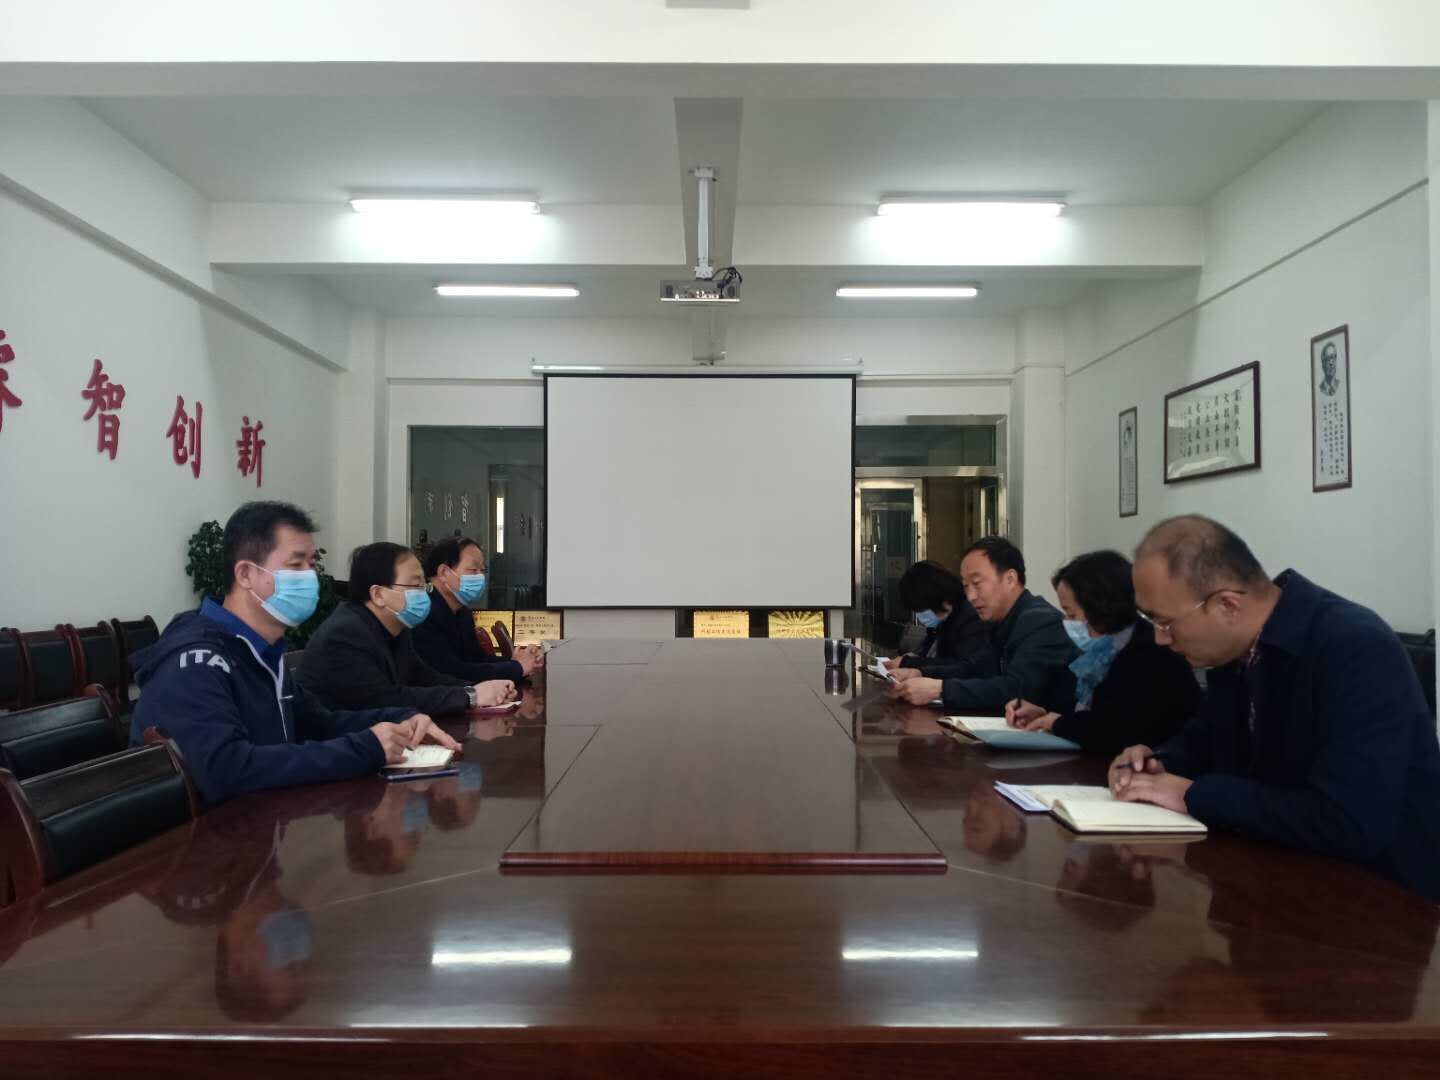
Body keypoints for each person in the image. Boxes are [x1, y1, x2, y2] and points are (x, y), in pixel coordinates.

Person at [1109, 515, 1440, 900]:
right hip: (1272, 882)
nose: (1160, 639)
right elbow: (1203, 741)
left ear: (1228, 605)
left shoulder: (1355, 648)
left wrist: (1193, 795)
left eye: (1166, 622)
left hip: (1380, 902)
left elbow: (1348, 822)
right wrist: (1154, 764)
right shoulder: (1234, 650)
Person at [129, 502, 459, 806]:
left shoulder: (263, 651)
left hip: (265, 823)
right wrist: (366, 748)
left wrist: (398, 719)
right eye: (295, 565)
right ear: (246, 574)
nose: (309, 578)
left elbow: (318, 722)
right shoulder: (196, 660)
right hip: (201, 842)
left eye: (311, 565)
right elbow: (225, 768)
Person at [1004, 550, 1201, 754]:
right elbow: (1082, 710)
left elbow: (1116, 728)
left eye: (1071, 613)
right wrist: (1043, 714)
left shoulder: (1151, 653)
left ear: (1099, 607)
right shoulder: (1099, 650)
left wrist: (1058, 723)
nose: (1067, 622)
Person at [297, 542, 516, 716]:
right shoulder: (345, 634)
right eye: (415, 585)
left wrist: (483, 690)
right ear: (378, 594)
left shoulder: (397, 627)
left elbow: (424, 677)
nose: (424, 593)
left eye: (423, 585)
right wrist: (471, 696)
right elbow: (387, 699)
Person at [889, 537, 1077, 713]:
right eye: (966, 586)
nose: (971, 596)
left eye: (977, 583)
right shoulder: (998, 621)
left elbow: (1017, 690)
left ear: (1010, 579)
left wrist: (941, 689)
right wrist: (920, 672)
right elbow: (973, 669)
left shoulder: (1040, 622)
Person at [414, 536, 542, 685]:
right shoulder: (422, 615)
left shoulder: (462, 613)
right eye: (473, 570)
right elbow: (452, 671)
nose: (480, 577)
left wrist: (519, 661)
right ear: (443, 572)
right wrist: (517, 667)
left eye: (482, 570)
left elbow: (477, 660)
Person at [883, 560, 993, 679]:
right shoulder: (943, 620)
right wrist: (912, 658)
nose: (921, 617)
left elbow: (963, 667)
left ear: (940, 599)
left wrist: (910, 663)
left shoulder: (972, 619)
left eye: (923, 609)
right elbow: (927, 652)